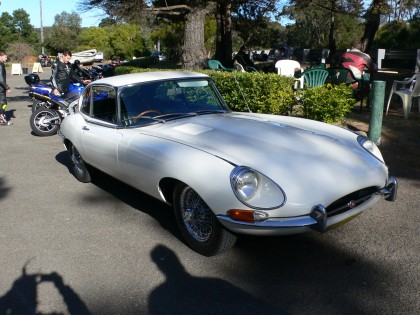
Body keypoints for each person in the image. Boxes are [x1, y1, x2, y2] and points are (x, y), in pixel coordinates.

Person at [0, 51, 12, 125]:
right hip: (1, 88)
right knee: (3, 103)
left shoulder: (2, 64)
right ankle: (1, 120)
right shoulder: (0, 65)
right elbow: (0, 79)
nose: (6, 58)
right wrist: (7, 87)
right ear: (0, 56)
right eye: (5, 57)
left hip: (1, 88)